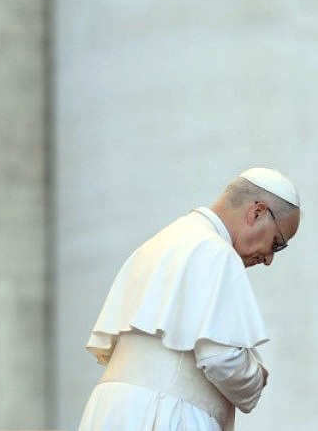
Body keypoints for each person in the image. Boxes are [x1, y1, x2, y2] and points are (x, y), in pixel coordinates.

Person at [78, 167, 300, 431]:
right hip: (168, 415)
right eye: (276, 243)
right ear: (257, 212)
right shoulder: (215, 251)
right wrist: (255, 378)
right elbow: (221, 357)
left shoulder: (156, 244)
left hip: (111, 413)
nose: (268, 259)